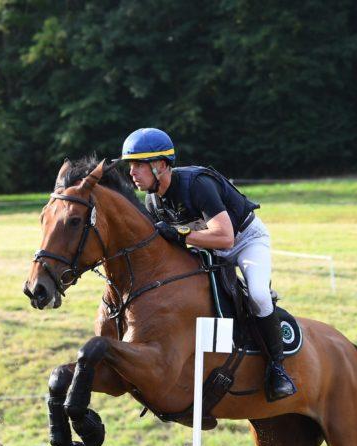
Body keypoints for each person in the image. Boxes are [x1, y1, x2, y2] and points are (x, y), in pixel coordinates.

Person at [119, 127, 296, 402]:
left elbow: (225, 238)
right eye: (131, 166)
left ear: (161, 165)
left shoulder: (196, 184)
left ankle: (278, 367)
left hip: (245, 239)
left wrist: (182, 234)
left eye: (138, 165)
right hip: (206, 246)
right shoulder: (152, 201)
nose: (132, 173)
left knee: (259, 294)